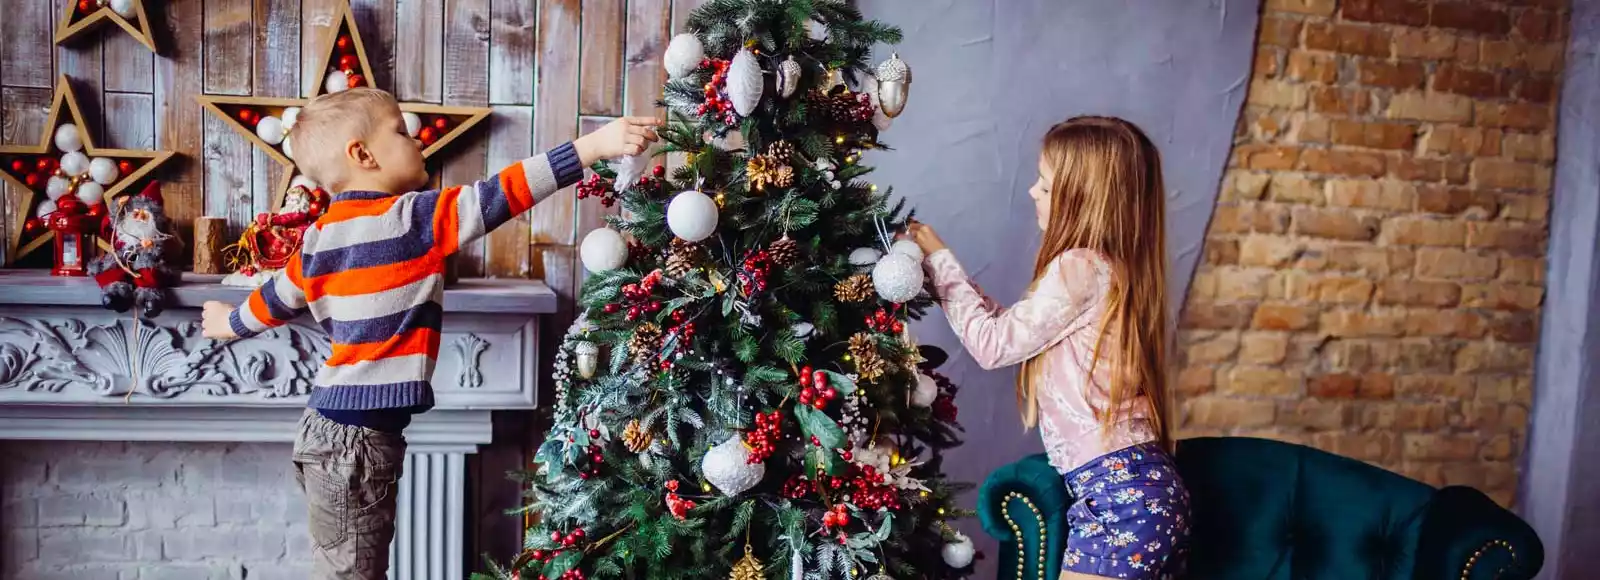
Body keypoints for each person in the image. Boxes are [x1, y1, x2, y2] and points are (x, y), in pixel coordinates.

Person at [199, 87, 659, 579]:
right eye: (400, 130)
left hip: (329, 431)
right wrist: (590, 148)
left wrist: (227, 323)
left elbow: (273, 298)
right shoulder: (414, 218)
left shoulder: (317, 238)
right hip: (356, 443)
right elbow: (505, 192)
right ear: (362, 154)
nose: (416, 136)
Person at [903, 116, 1189, 580]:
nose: (1033, 191)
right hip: (1140, 489)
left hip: (1119, 495)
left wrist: (938, 257)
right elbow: (1013, 329)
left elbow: (992, 345)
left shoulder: (1079, 266)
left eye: (1047, 184)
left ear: (1082, 199)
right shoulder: (1112, 270)